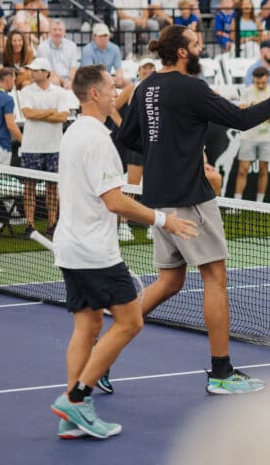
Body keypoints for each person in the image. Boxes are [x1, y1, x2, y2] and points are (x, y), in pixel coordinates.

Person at [116, 25, 270, 394]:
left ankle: (106, 346)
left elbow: (127, 137)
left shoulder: (145, 87)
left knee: (170, 281)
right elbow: (241, 121)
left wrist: (170, 147)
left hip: (158, 197)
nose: (200, 48)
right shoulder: (191, 87)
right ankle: (222, 373)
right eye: (194, 44)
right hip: (190, 197)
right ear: (181, 52)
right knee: (215, 279)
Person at [49, 64, 197, 440]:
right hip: (95, 251)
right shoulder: (97, 139)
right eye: (111, 88)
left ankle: (72, 416)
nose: (117, 93)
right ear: (94, 94)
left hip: (72, 245)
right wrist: (165, 221)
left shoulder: (72, 133)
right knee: (131, 322)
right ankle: (77, 398)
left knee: (87, 326)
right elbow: (115, 202)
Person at [20, 57, 69, 236]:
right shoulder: (26, 91)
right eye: (31, 70)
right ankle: (30, 224)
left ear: (46, 73)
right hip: (31, 147)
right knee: (29, 187)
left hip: (54, 147)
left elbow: (62, 117)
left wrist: (38, 114)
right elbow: (28, 113)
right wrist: (50, 111)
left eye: (36, 70)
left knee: (52, 187)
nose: (32, 72)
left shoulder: (60, 93)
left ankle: (52, 224)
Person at [232, 67, 270, 202]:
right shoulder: (247, 92)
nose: (260, 85)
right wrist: (259, 109)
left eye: (263, 83)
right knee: (243, 170)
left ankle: (259, 204)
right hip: (248, 137)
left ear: (267, 79)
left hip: (268, 138)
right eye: (257, 83)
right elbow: (241, 113)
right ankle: (237, 203)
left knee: (263, 170)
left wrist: (258, 110)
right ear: (253, 80)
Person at [37, 19, 80, 89]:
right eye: (54, 30)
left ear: (64, 32)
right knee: (55, 81)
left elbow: (73, 68)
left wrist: (71, 81)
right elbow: (49, 71)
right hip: (50, 78)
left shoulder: (72, 46)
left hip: (68, 79)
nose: (57, 32)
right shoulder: (42, 47)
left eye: (60, 30)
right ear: (49, 32)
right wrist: (64, 82)